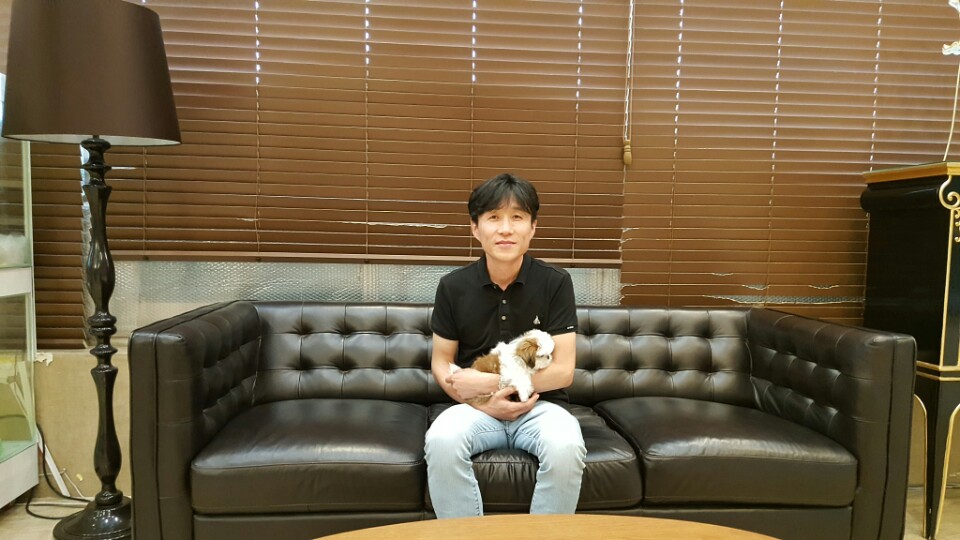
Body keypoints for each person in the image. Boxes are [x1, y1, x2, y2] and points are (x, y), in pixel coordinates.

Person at [425, 172, 586, 518]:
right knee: (441, 441)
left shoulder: (556, 283)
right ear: (475, 228)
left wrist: (494, 383)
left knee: (566, 446)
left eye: (517, 217)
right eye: (494, 217)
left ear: (533, 227)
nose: (506, 229)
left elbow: (563, 371)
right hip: (475, 409)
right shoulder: (452, 286)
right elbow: (441, 361)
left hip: (540, 405)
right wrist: (480, 400)